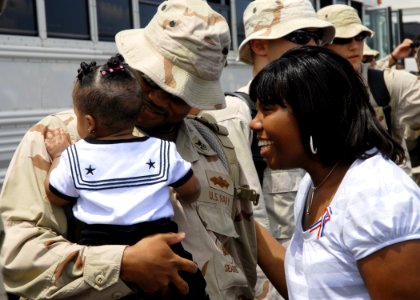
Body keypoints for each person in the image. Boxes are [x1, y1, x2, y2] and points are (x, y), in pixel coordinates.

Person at [0, 0, 286, 299]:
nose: (160, 101)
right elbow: (20, 259)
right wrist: (122, 263)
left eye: (177, 95)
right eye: (150, 83)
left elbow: (243, 248)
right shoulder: (59, 140)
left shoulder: (213, 143)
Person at [250, 45, 420, 299]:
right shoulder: (314, 184)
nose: (255, 122)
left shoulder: (377, 197)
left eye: (268, 109)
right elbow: (307, 289)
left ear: (314, 112)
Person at [43, 55, 206, 299]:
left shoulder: (75, 156)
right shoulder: (161, 150)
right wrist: (185, 193)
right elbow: (192, 190)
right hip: (163, 246)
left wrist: (58, 155)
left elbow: (56, 196)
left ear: (88, 122)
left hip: (106, 255)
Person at [317, 4, 420, 177]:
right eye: (342, 39)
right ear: (321, 44)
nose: (354, 45)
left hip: (387, 196)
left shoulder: (386, 82)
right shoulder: (306, 91)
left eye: (360, 37)